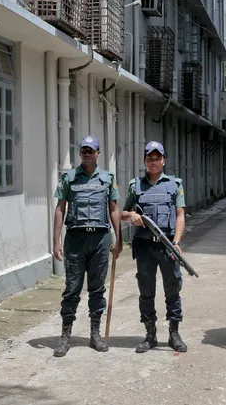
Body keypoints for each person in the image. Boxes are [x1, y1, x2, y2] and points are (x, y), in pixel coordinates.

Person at [52, 135, 122, 358]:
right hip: (75, 239)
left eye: (91, 150)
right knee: (72, 289)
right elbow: (60, 208)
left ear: (98, 153)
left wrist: (118, 239)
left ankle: (95, 334)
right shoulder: (69, 178)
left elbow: (113, 209)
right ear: (80, 153)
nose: (87, 154)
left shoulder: (108, 178)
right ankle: (65, 337)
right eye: (84, 150)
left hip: (100, 239)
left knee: (97, 289)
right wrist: (55, 240)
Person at [121, 141, 188, 353]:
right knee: (146, 290)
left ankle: (174, 333)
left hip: (167, 245)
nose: (154, 161)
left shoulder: (175, 184)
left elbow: (180, 215)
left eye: (157, 158)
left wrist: (177, 242)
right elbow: (121, 213)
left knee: (172, 289)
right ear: (144, 161)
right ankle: (150, 335)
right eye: (150, 158)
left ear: (163, 160)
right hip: (144, 247)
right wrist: (131, 216)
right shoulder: (135, 186)